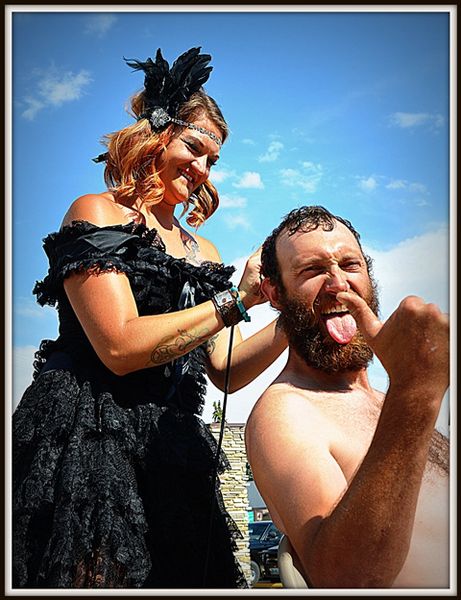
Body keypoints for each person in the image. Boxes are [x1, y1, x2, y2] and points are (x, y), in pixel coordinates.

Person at [12, 47, 287, 589]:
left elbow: (224, 369)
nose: (204, 169)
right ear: (156, 133)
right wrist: (234, 302)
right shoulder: (97, 213)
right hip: (90, 436)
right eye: (195, 147)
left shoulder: (202, 248)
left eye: (215, 160)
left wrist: (290, 311)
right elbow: (119, 347)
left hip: (173, 444)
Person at [245, 205, 449, 589]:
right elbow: (345, 579)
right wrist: (416, 391)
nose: (337, 283)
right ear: (275, 292)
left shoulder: (389, 400)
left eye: (351, 265)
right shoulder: (286, 411)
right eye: (312, 270)